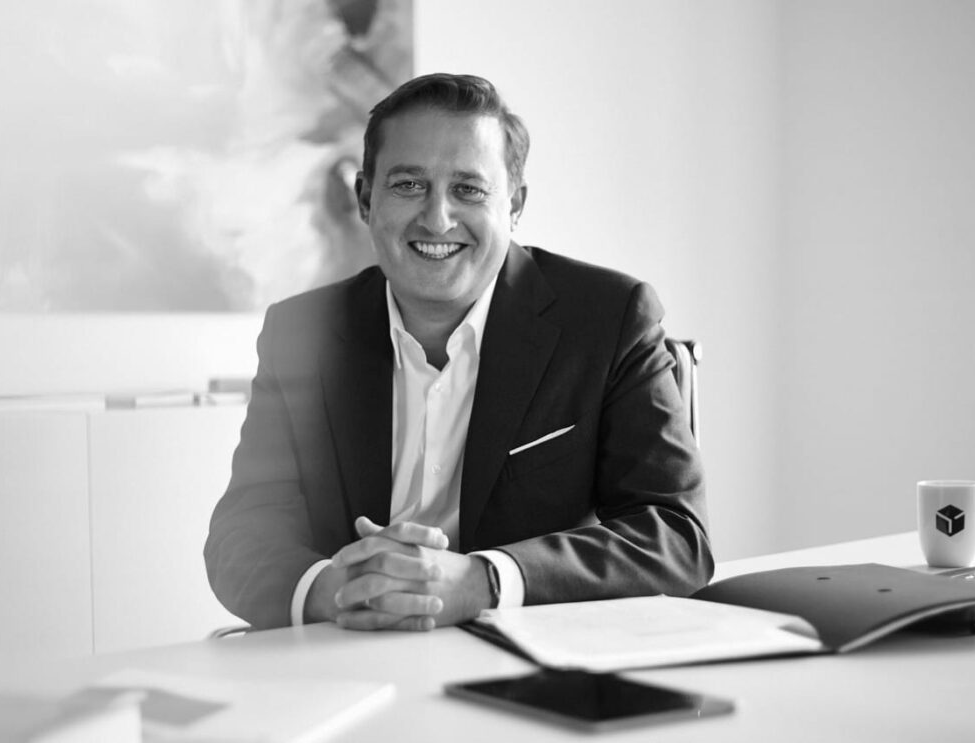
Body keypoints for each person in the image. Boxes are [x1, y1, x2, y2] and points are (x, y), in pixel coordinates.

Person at [204, 73, 713, 631]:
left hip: (531, 653)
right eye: (408, 185)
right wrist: (334, 589)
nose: (437, 219)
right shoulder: (301, 332)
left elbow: (675, 536)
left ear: (514, 205)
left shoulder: (610, 319)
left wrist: (485, 580)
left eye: (468, 189)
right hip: (353, 647)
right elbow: (242, 532)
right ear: (366, 199)